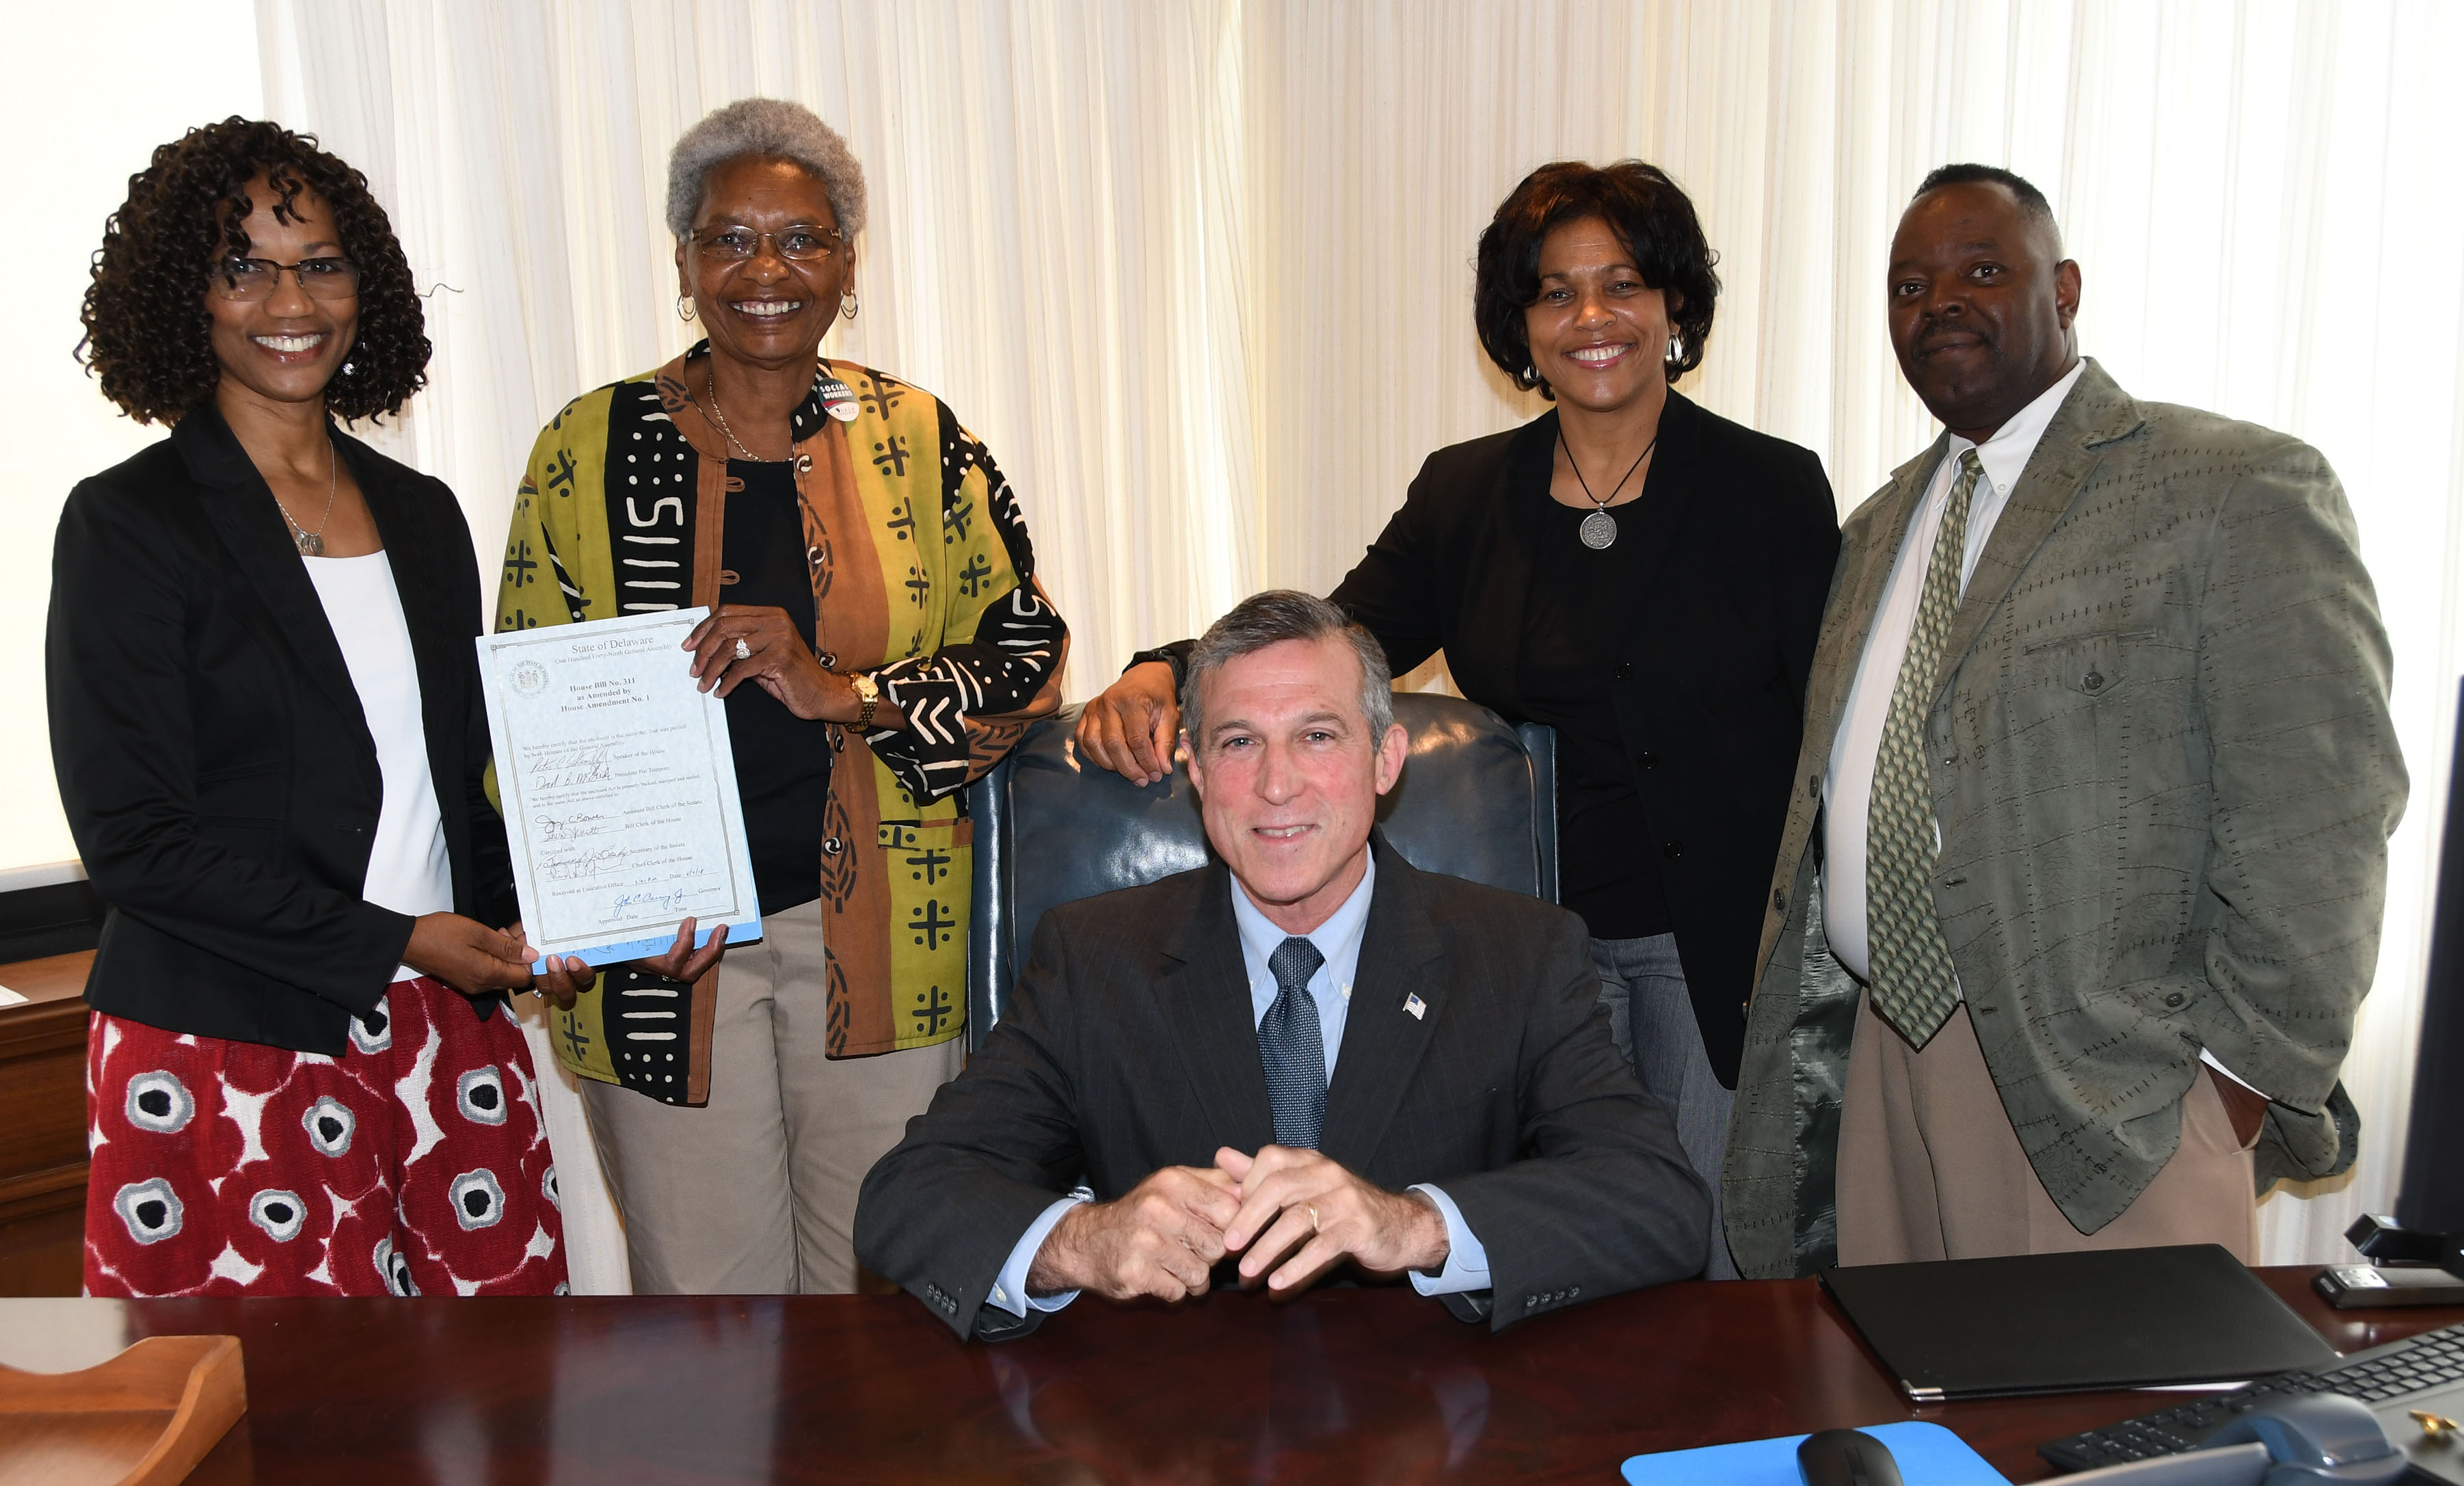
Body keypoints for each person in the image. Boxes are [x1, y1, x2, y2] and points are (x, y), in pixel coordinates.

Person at [1073, 161, 1837, 1278]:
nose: (1589, 317)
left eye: (1621, 283)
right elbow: (1332, 636)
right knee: (1539, 1252)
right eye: (1554, 291)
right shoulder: (1465, 493)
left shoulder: (1768, 489)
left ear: (1674, 307)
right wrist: (1162, 668)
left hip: (1709, 947)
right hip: (1522, 948)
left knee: (1696, 1251)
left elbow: (1833, 725)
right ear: (1519, 326)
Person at [1725, 165, 2407, 1278]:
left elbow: (2319, 818)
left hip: (2106, 1097)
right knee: (1921, 1435)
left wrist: (2233, 1088)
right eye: (1907, 284)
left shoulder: (2229, 488)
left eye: (1980, 269)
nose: (1937, 300)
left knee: (2104, 1446)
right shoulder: (1874, 528)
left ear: (2066, 288)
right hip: (1881, 1074)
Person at [515, 98, 1067, 1296]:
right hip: (662, 956)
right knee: (712, 1319)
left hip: (878, 937)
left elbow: (1025, 651)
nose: (765, 268)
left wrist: (847, 692)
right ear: (682, 262)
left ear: (847, 263)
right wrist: (562, 898)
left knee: (884, 1300)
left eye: (802, 238)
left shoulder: (921, 441)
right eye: (729, 237)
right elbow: (526, 694)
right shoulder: (588, 446)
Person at [857, 590, 1711, 1340]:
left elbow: (1658, 1199)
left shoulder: (1518, 952)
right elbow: (908, 1194)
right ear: (1193, 768)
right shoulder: (1094, 958)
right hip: (1183, 1424)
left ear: (1385, 760)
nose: (1276, 784)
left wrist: (1417, 1225)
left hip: (1440, 1423)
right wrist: (1085, 1240)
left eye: (1316, 735)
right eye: (1237, 742)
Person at [52, 118, 563, 1297]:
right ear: (189, 294)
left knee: (490, 1413)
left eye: (320, 262)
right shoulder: (129, 523)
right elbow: (133, 841)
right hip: (225, 1041)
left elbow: (455, 786)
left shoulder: (422, 512)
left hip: (444, 1035)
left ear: (362, 283)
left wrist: (537, 923)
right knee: (276, 1427)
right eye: (245, 266)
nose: (290, 298)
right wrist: (392, 939)